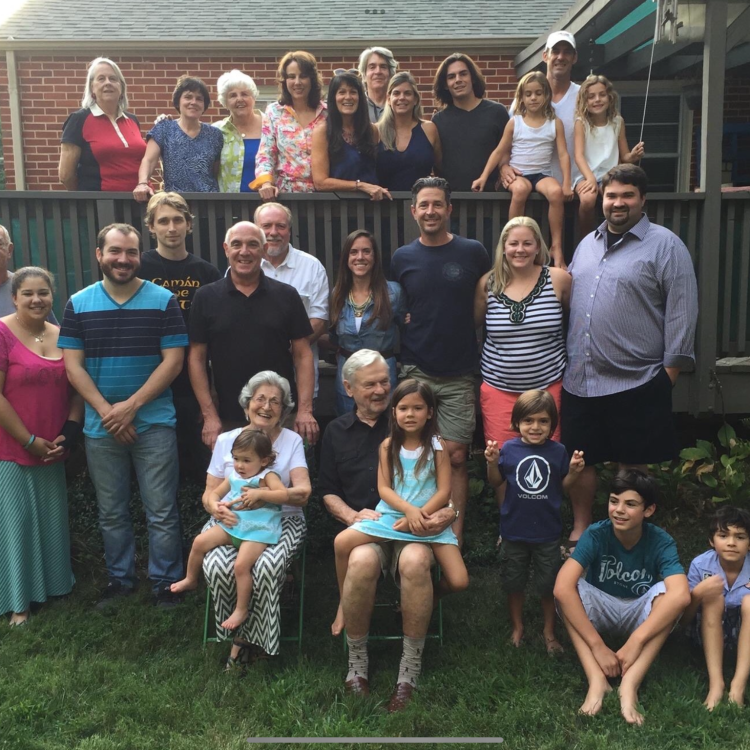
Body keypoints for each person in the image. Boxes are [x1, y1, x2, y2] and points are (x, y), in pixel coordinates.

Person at [561, 164, 698, 553]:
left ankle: (632, 536)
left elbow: (682, 309)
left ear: (642, 200)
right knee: (583, 460)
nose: (617, 203)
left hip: (637, 378)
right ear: (602, 199)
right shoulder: (587, 243)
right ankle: (582, 529)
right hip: (581, 378)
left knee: (633, 463)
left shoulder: (665, 245)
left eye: (627, 195)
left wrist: (668, 373)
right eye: (611, 195)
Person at [318, 350, 457, 711]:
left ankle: (408, 670)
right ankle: (357, 664)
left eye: (385, 382)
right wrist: (351, 515)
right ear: (348, 388)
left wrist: (449, 512)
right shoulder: (335, 432)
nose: (381, 390)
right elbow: (327, 490)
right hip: (371, 527)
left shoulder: (410, 420)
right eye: (371, 384)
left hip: (414, 529)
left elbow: (447, 483)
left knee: (413, 561)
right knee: (360, 559)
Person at [59, 223, 188, 608]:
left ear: (139, 257)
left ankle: (166, 583)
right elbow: (73, 367)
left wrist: (129, 408)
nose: (123, 259)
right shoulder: (78, 303)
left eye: (131, 253)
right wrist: (106, 412)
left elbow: (174, 361)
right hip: (101, 429)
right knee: (111, 511)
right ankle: (120, 581)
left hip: (154, 424)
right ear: (99, 255)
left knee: (162, 510)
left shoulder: (163, 300)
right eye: (115, 251)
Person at [391, 177, 490, 543]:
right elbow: (398, 304)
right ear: (413, 210)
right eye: (423, 205)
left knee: (458, 455)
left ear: (449, 209)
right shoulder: (402, 258)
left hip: (460, 368)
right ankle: (414, 527)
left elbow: (485, 298)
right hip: (416, 367)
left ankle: (454, 532)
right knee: (412, 453)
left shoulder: (473, 252)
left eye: (437, 204)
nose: (430, 211)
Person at [554, 469, 690, 725]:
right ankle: (597, 680)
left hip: (639, 611)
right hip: (601, 605)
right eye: (614, 501)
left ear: (648, 511)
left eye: (630, 504)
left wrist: (636, 641)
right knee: (568, 592)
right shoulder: (596, 533)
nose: (618, 510)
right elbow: (561, 587)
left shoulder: (661, 541)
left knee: (668, 598)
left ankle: (630, 684)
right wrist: (597, 646)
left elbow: (682, 595)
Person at [334, 379, 468, 628]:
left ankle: (434, 594)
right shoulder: (387, 446)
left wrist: (420, 516)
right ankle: (345, 602)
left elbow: (444, 491)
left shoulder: (437, 446)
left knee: (459, 580)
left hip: (428, 524)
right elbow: (384, 489)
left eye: (417, 408)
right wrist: (408, 512)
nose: (410, 414)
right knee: (341, 542)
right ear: (394, 412)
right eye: (404, 408)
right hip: (392, 519)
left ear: (429, 413)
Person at [201, 371, 311, 666]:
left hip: (281, 520)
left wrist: (266, 496)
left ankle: (245, 641)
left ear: (284, 410)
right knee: (214, 564)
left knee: (267, 566)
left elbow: (303, 493)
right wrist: (215, 508)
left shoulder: (291, 441)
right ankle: (238, 630)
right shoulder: (226, 441)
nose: (266, 406)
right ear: (247, 404)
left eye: (275, 401)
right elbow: (210, 492)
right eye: (260, 399)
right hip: (232, 520)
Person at [0, 267, 83, 626]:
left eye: (44, 293)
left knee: (50, 522)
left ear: (53, 297)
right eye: (28, 293)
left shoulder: (64, 336)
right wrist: (28, 441)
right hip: (11, 448)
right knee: (15, 524)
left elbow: (77, 388)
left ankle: (52, 588)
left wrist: (69, 432)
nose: (37, 300)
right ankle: (18, 603)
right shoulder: (2, 333)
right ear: (14, 297)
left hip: (53, 449)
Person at [188, 221, 318, 449]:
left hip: (280, 415)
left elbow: (303, 355)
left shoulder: (286, 295)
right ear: (226, 249)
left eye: (253, 244)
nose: (244, 252)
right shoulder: (206, 297)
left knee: (284, 482)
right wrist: (209, 415)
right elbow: (196, 358)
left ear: (264, 249)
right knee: (231, 483)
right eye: (236, 244)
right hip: (227, 417)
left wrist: (305, 411)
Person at [484, 390, 584, 654]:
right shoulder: (509, 450)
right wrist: (492, 463)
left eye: (543, 421)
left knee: (548, 585)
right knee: (513, 583)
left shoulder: (558, 451)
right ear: (517, 423)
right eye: (529, 421)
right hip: (514, 531)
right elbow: (496, 482)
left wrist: (573, 472)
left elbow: (562, 488)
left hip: (548, 533)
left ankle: (549, 631)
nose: (536, 427)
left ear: (552, 423)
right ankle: (517, 627)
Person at [138, 193, 221, 480]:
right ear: (151, 227)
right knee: (153, 470)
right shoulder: (138, 269)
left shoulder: (207, 273)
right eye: (163, 221)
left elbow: (215, 338)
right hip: (148, 382)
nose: (171, 228)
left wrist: (211, 389)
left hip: (192, 384)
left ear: (189, 225)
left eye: (177, 220)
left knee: (196, 464)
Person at [475, 217, 570, 464]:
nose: (520, 250)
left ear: (538, 246)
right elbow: (471, 325)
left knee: (546, 460)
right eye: (513, 243)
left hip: (547, 388)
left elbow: (576, 323)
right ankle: (506, 505)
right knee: (502, 460)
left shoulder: (558, 279)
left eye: (528, 243)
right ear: (503, 247)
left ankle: (546, 505)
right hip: (499, 389)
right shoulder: (488, 283)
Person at [171, 429, 287, 630]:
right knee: (199, 542)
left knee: (240, 566)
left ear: (264, 460)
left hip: (258, 531)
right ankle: (191, 579)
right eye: (236, 459)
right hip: (233, 525)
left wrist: (261, 493)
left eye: (247, 460)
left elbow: (284, 495)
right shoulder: (234, 475)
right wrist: (215, 505)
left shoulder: (268, 477)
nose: (240, 465)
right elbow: (215, 493)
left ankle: (241, 609)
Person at [473, 71, 571, 268]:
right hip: (519, 173)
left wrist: (567, 182)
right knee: (520, 190)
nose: (533, 98)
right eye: (528, 94)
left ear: (546, 96)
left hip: (542, 174)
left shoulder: (554, 123)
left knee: (556, 192)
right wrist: (483, 177)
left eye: (538, 93)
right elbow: (500, 150)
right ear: (521, 98)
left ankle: (556, 246)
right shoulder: (515, 122)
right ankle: (512, 237)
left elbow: (563, 154)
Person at [254, 202, 329, 400]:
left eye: (280, 226)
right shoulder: (241, 268)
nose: (273, 232)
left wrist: (283, 347)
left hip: (299, 381)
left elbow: (319, 320)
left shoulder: (312, 267)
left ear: (289, 230)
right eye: (266, 226)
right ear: (257, 230)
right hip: (253, 384)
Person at [683, 506, 750, 710]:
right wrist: (698, 594)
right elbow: (683, 620)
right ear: (712, 541)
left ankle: (738, 685)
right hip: (706, 630)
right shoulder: (700, 565)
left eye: (740, 537)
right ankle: (716, 684)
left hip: (744, 632)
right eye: (723, 535)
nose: (731, 543)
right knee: (713, 597)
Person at [329, 229, 403, 415]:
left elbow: (407, 327)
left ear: (375, 257)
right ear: (346, 258)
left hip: (383, 375)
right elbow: (333, 336)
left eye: (366, 251)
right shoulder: (337, 294)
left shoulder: (393, 293)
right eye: (354, 252)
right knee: (349, 429)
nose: (360, 257)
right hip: (347, 374)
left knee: (385, 431)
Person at [502, 31, 582, 195]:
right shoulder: (522, 102)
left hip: (574, 191)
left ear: (574, 58)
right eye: (555, 51)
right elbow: (506, 144)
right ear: (545, 56)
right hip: (529, 192)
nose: (560, 57)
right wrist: (503, 167)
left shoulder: (584, 97)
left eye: (567, 52)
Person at [59, 57, 146, 191]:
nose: (108, 83)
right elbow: (66, 175)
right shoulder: (78, 120)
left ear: (121, 87)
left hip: (137, 201)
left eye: (113, 79)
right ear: (92, 88)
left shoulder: (132, 120)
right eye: (101, 79)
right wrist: (85, 200)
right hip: (99, 205)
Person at [573, 75, 645, 236]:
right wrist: (590, 178)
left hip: (611, 175)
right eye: (591, 96)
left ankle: (618, 233)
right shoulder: (581, 123)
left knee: (618, 199)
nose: (597, 100)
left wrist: (632, 156)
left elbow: (624, 156)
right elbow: (578, 155)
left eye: (602, 95)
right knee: (587, 200)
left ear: (609, 97)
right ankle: (587, 237)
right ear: (584, 100)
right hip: (585, 175)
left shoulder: (617, 122)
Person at [133, 76, 223, 202]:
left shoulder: (215, 135)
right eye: (188, 97)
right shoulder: (164, 128)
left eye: (199, 99)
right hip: (175, 204)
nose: (193, 102)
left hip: (209, 204)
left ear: (204, 105)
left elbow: (216, 171)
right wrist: (142, 183)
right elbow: (148, 160)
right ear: (178, 101)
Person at [251, 51, 327, 199]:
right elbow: (266, 153)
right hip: (286, 195)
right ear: (284, 81)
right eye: (291, 77)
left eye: (303, 76)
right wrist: (266, 183)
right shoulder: (274, 112)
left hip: (324, 195)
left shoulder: (327, 113)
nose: (297, 82)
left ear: (312, 79)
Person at [431, 53, 509, 192]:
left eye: (463, 74)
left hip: (493, 201)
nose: (458, 80)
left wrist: (504, 167)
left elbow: (508, 151)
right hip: (451, 203)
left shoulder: (497, 112)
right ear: (445, 85)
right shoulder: (438, 121)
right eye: (451, 77)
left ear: (472, 78)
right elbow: (437, 164)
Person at [311, 71, 389, 201]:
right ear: (333, 98)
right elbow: (320, 182)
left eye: (353, 92)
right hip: (336, 211)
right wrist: (360, 186)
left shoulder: (372, 130)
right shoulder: (322, 131)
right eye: (342, 92)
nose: (348, 97)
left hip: (372, 209)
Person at [376, 71, 441, 191]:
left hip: (422, 206)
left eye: (407, 93)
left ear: (415, 99)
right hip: (383, 206)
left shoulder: (429, 129)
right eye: (396, 93)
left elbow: (440, 170)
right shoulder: (376, 131)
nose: (402, 98)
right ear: (388, 99)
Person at [213, 70, 264, 192]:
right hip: (229, 206)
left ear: (253, 98)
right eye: (233, 95)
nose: (239, 99)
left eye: (244, 94)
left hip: (266, 205)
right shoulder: (216, 131)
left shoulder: (270, 127)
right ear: (225, 102)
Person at [358, 46, 398, 123]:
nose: (378, 72)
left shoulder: (398, 105)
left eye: (383, 67)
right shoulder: (357, 106)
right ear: (364, 74)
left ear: (390, 74)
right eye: (372, 67)